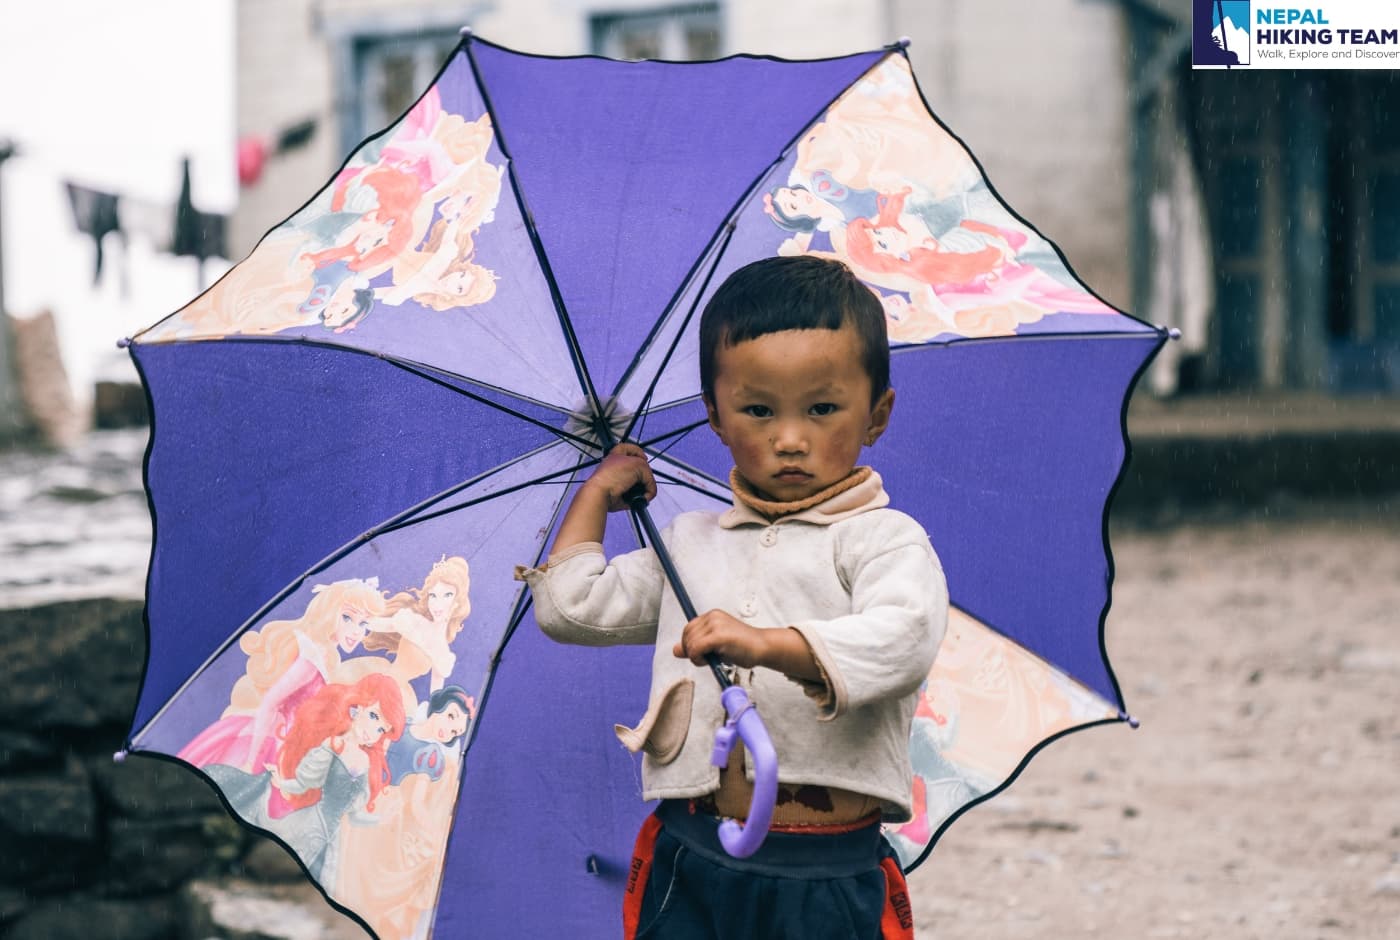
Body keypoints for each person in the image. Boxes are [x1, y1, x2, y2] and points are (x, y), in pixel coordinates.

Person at [520, 255, 948, 939]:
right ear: (717, 419)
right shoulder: (689, 545)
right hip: (692, 859)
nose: (788, 438)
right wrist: (596, 495)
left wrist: (770, 646)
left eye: (823, 409)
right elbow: (571, 607)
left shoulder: (880, 540)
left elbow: (905, 638)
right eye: (757, 411)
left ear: (878, 414)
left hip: (825, 872)